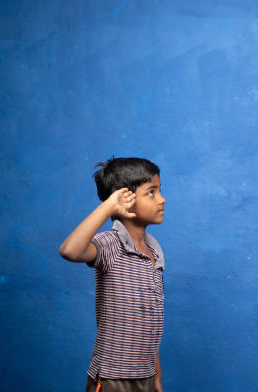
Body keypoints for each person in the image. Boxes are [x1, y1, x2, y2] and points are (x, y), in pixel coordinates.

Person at [60, 157, 166, 392]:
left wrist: (156, 378)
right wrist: (108, 205)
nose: (162, 199)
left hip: (145, 376)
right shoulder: (111, 244)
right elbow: (70, 250)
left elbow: (149, 323)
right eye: (151, 192)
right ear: (124, 199)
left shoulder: (154, 254)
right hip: (112, 379)